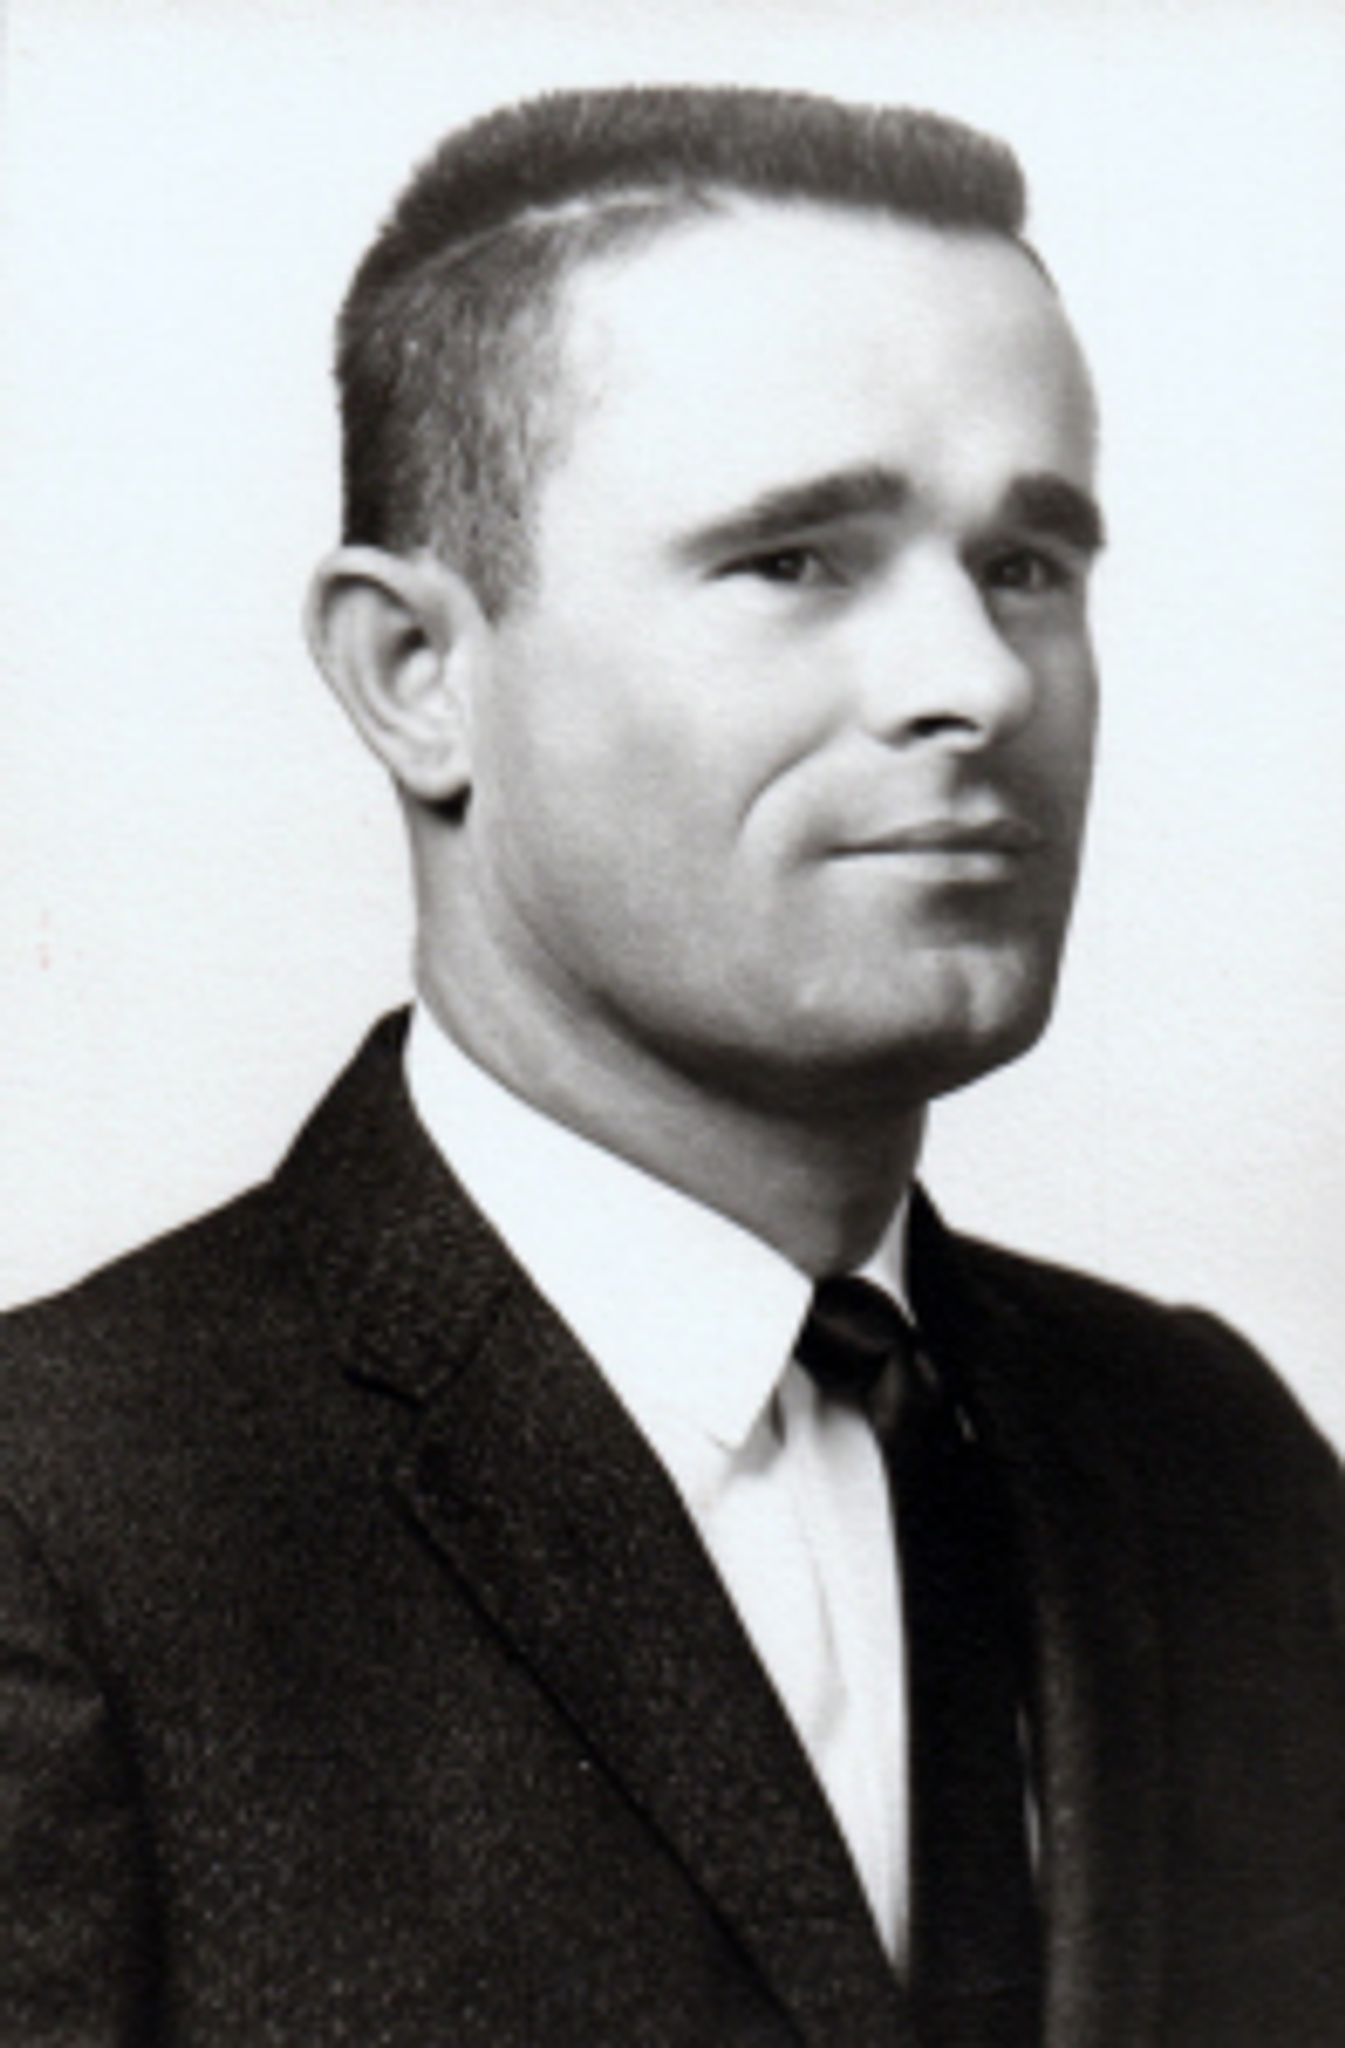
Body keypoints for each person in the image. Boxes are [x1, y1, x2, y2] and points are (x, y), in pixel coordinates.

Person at [1, 84, 1341, 2048]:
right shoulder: (57, 1524)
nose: (974, 683)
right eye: (794, 560)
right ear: (414, 674)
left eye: (1027, 565)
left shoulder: (1210, 1456)